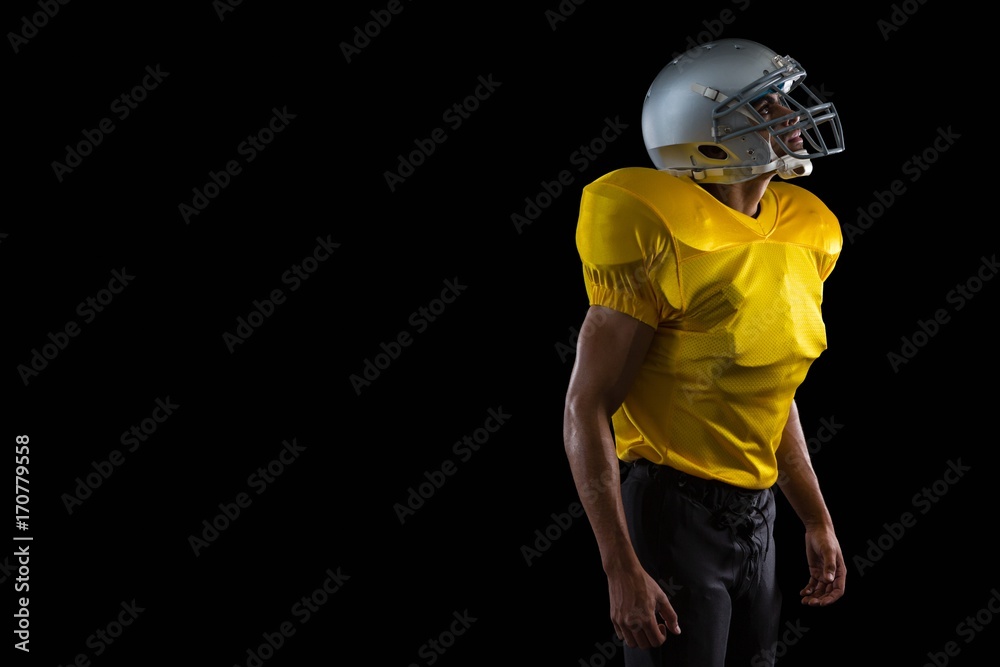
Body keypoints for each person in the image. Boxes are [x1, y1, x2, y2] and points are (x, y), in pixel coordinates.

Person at [562, 38, 847, 667]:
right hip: (674, 511)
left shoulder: (803, 231)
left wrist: (816, 518)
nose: (793, 116)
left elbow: (772, 397)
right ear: (711, 132)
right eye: (768, 105)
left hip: (759, 517)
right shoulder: (653, 226)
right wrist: (619, 565)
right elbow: (586, 405)